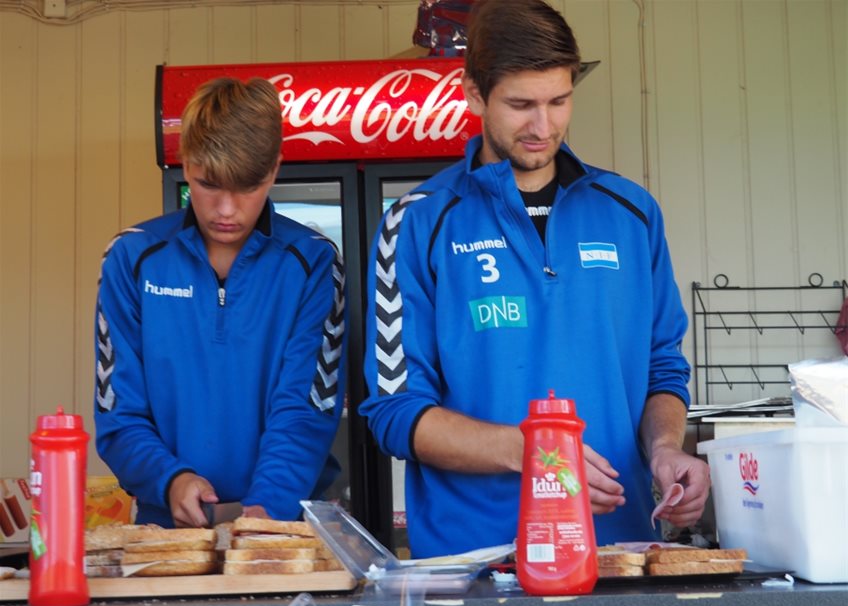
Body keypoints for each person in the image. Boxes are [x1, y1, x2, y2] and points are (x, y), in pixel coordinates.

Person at [360, 0, 710, 558]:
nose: (542, 126)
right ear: (475, 94)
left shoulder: (632, 213)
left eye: (559, 100)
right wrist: (532, 451)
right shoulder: (415, 223)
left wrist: (666, 448)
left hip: (616, 554)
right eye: (521, 104)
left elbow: (661, 368)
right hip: (474, 563)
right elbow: (396, 411)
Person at [94, 77, 346, 528]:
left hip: (287, 521)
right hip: (166, 526)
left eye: (247, 187)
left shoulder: (314, 263)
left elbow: (305, 410)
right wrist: (170, 479)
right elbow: (119, 414)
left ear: (273, 170)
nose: (226, 210)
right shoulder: (131, 259)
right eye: (209, 185)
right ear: (186, 165)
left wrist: (268, 508)